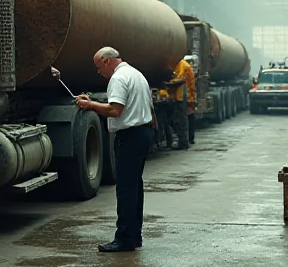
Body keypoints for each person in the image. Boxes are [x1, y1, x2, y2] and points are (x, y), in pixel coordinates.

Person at [62, 47, 153, 252]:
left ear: (106, 61)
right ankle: (134, 235)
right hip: (143, 133)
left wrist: (90, 105)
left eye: (97, 67)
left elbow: (115, 109)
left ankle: (124, 238)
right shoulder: (136, 74)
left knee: (126, 189)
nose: (98, 72)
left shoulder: (118, 78)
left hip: (129, 137)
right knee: (135, 188)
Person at [166, 57, 194, 149]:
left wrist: (167, 83)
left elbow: (180, 78)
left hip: (182, 96)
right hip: (181, 96)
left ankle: (183, 143)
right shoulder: (180, 65)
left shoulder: (183, 65)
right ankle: (185, 140)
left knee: (181, 121)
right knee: (180, 120)